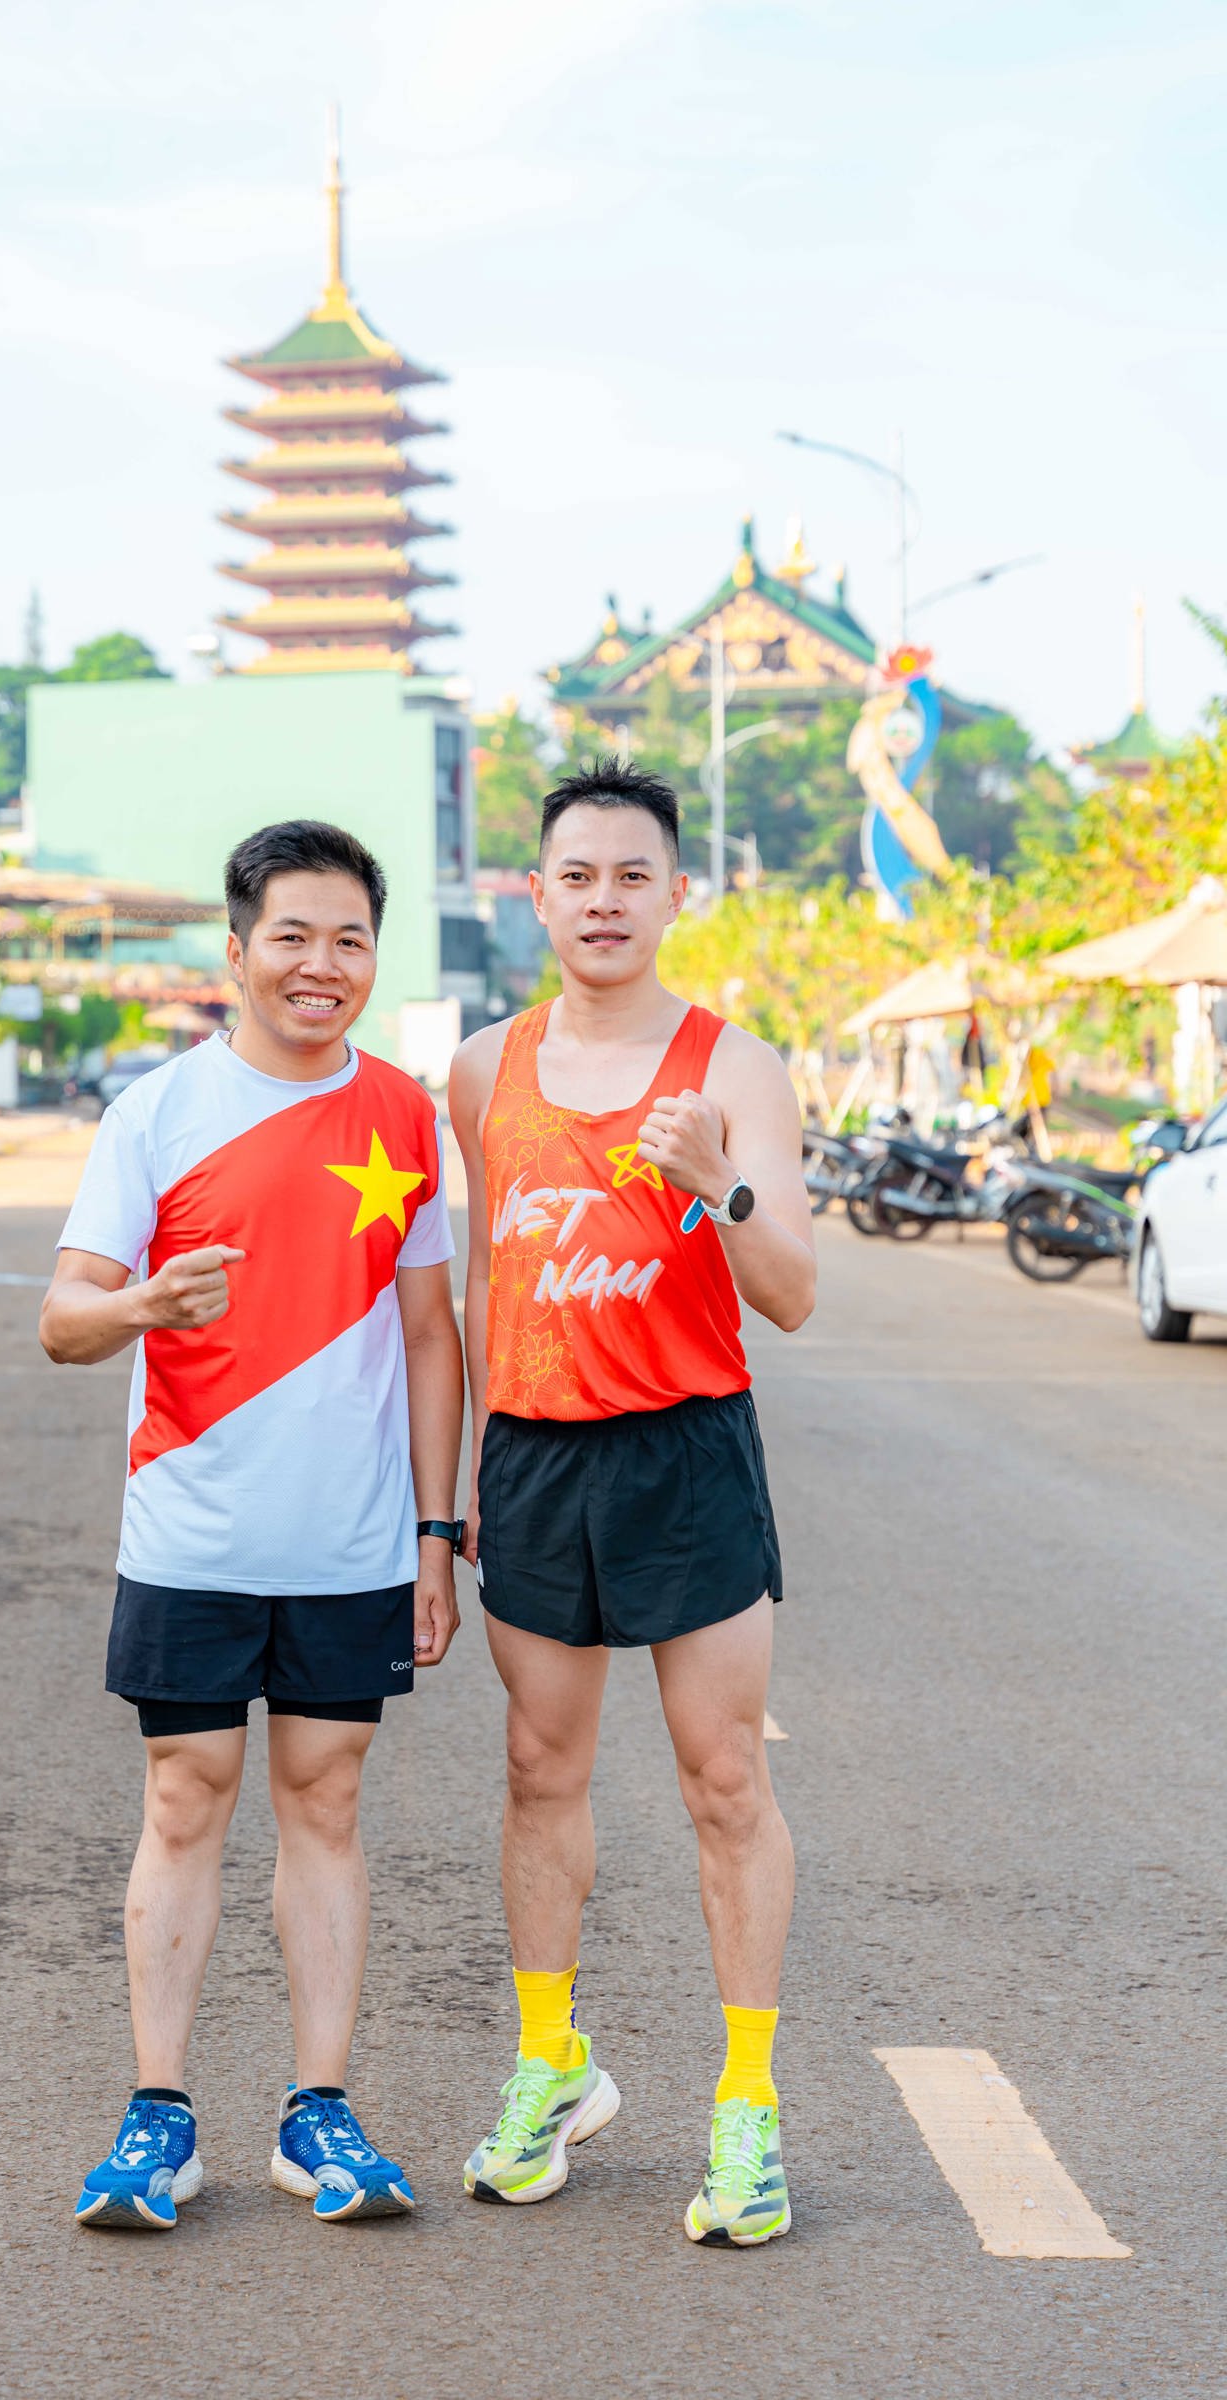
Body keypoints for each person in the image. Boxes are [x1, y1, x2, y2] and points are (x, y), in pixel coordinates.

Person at [42, 819, 464, 2232]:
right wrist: (142, 1304)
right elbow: (62, 1321)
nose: (320, 964)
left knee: (326, 1804)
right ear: (236, 952)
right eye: (292, 935)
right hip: (193, 1537)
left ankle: (317, 2112)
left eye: (350, 939)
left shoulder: (403, 1115)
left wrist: (435, 1535)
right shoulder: (156, 1114)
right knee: (185, 1798)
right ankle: (158, 2117)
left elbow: (430, 1334)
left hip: (351, 1543)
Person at [448, 756, 815, 2246]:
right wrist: (471, 1469)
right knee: (539, 1768)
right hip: (536, 1458)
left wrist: (721, 1181)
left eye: (633, 877)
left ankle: (748, 2108)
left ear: (676, 895)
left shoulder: (738, 1068)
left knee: (723, 1780)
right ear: (537, 896)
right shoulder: (483, 1068)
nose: (604, 901)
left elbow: (791, 1293)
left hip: (684, 1455)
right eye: (578, 877)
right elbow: (486, 1279)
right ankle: (552, 2066)